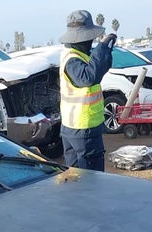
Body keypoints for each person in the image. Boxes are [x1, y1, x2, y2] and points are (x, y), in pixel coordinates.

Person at [59, 9, 116, 171]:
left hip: (74, 128)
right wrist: (102, 48)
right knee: (91, 179)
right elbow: (88, 78)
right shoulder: (72, 59)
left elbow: (97, 71)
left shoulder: (78, 55)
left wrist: (106, 51)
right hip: (83, 129)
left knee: (76, 179)